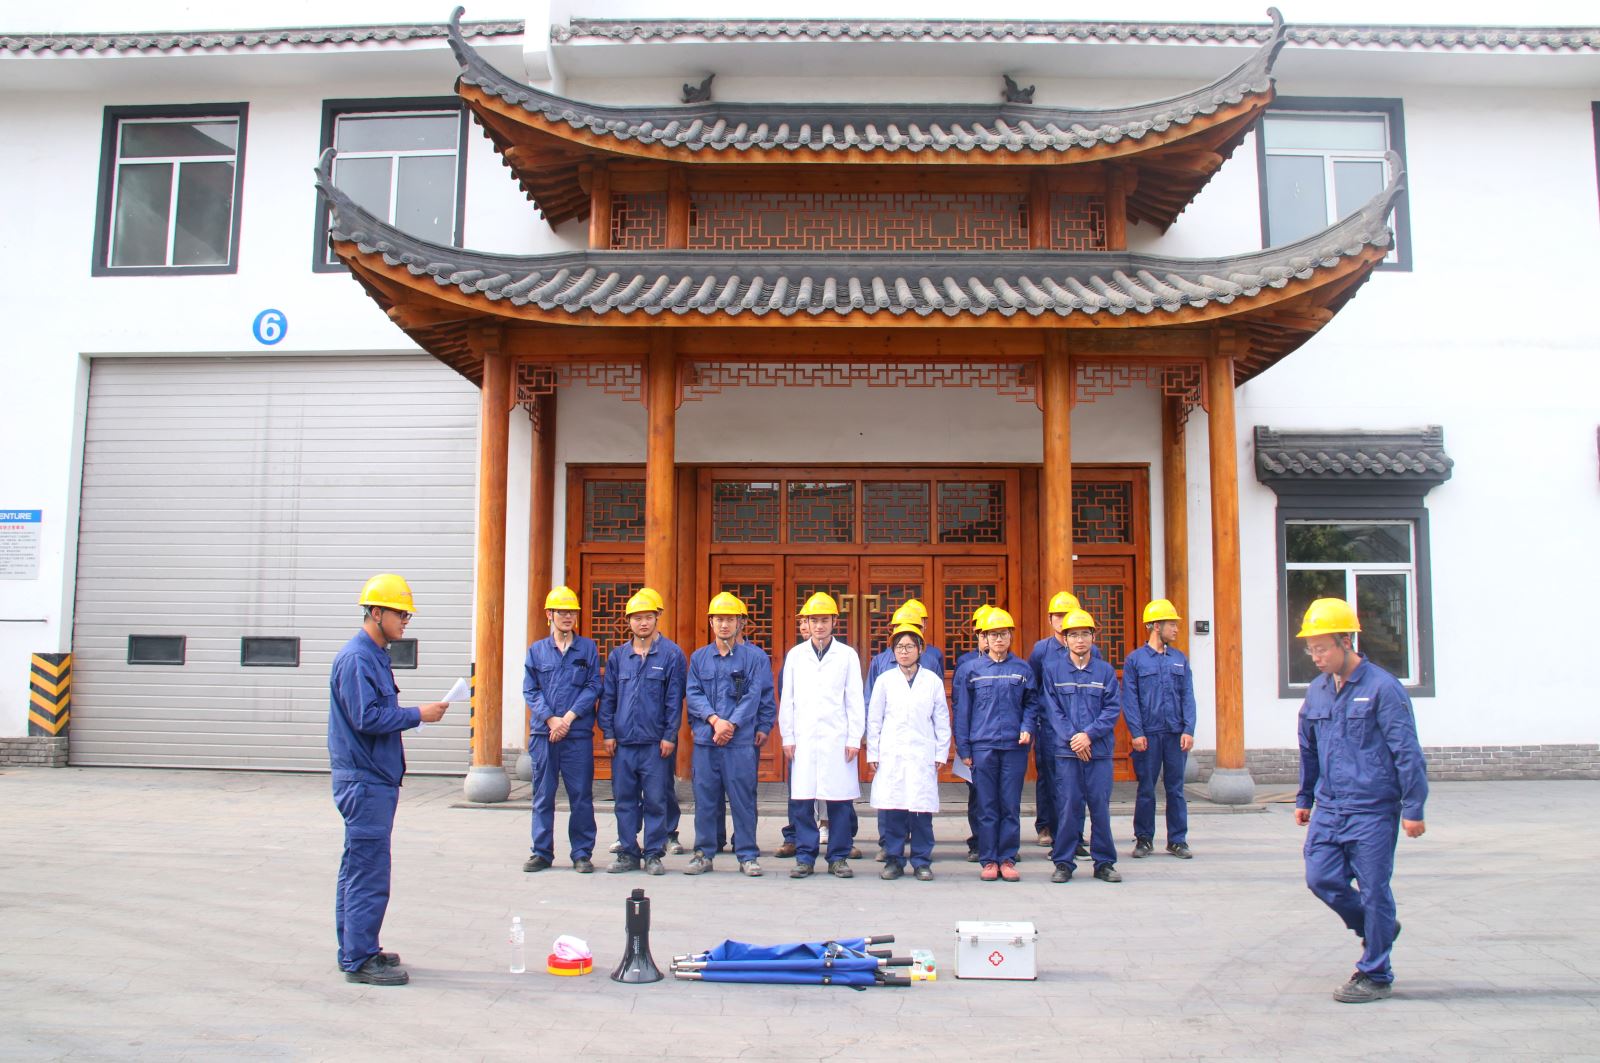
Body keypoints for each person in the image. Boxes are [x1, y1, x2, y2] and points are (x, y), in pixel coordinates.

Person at [1295, 597, 1428, 1004]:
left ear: (1346, 641)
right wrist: (1304, 796)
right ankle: (1378, 928)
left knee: (1374, 890)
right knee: (1321, 878)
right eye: (1311, 649)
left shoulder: (1382, 689)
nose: (1316, 657)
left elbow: (1407, 751)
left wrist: (1414, 808)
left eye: (1322, 648)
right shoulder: (1317, 691)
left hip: (1372, 808)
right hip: (1330, 807)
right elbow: (1308, 748)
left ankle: (1376, 973)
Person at [329, 573, 448, 986]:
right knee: (368, 871)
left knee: (358, 866)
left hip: (372, 778)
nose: (405, 622)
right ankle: (360, 959)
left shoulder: (375, 655)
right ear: (376, 612)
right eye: (401, 614)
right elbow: (366, 718)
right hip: (364, 782)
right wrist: (418, 715)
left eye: (407, 616)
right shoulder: (357, 658)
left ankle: (355, 948)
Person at [684, 592, 775, 877]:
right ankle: (703, 853)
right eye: (719, 619)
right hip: (707, 740)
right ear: (711, 622)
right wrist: (714, 721)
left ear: (741, 623)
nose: (724, 625)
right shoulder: (699, 658)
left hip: (740, 742)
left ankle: (747, 855)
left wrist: (732, 725)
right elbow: (693, 694)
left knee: (743, 799)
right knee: (705, 799)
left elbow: (754, 695)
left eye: (730, 619)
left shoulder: (754, 658)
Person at [599, 590, 686, 876]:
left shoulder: (671, 654)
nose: (643, 623)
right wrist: (608, 732)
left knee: (656, 800)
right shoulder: (618, 657)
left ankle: (653, 854)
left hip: (655, 744)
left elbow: (674, 700)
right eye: (637, 618)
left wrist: (670, 735)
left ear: (656, 618)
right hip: (623, 743)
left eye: (648, 617)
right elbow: (608, 697)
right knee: (624, 799)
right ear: (628, 621)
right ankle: (627, 852)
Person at [780, 592, 865, 879]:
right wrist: (788, 736)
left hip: (837, 738)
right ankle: (805, 856)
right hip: (804, 738)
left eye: (824, 620)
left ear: (834, 622)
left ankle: (838, 857)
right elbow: (787, 699)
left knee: (839, 801)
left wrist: (854, 738)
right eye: (814, 620)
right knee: (803, 801)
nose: (819, 626)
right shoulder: (795, 655)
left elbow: (855, 699)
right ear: (806, 622)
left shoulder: (847, 655)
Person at [1039, 609, 1123, 884]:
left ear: (1093, 637)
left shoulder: (1105, 671)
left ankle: (1104, 862)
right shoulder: (1053, 670)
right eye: (1073, 635)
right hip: (1066, 752)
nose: (1079, 640)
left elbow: (1111, 709)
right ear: (1064, 639)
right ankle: (1064, 862)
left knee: (1100, 808)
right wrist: (1074, 738)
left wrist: (1088, 735)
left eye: (1084, 634)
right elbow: (1052, 709)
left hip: (1098, 751)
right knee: (1068, 807)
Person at [953, 608, 1037, 882]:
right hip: (983, 746)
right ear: (984, 638)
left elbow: (1032, 703)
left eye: (1003, 634)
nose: (998, 639)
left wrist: (1027, 727)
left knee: (1010, 805)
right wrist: (964, 749)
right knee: (986, 805)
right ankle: (989, 859)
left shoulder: (1022, 669)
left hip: (1013, 747)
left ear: (1011, 636)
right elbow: (962, 712)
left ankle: (1008, 858)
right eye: (993, 634)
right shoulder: (971, 670)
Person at [522, 585, 600, 874]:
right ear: (549, 614)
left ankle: (581, 853)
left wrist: (567, 719)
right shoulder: (537, 651)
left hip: (576, 735)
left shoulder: (587, 648)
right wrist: (550, 719)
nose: (568, 617)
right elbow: (530, 690)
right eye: (562, 612)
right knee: (543, 795)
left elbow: (593, 686)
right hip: (544, 735)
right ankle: (541, 852)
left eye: (572, 612)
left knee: (581, 796)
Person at [867, 625, 951, 881]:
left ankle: (921, 861)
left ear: (920, 649)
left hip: (922, 753)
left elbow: (941, 719)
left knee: (921, 812)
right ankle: (894, 860)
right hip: (891, 752)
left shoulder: (932, 681)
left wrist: (941, 752)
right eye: (899, 647)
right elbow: (875, 719)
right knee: (894, 809)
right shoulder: (885, 680)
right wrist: (873, 752)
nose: (904, 652)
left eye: (909, 646)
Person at [1028, 590, 1100, 855]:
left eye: (1067, 615)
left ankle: (1073, 835)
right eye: (1058, 616)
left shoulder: (1092, 650)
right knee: (1049, 779)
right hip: (1049, 727)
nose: (1062, 620)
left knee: (1076, 784)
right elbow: (1035, 687)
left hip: (1081, 729)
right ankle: (1046, 826)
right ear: (1050, 619)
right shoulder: (1042, 650)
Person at [1124, 599, 1197, 859]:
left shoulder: (1179, 659)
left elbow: (1188, 695)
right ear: (1156, 626)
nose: (1176, 629)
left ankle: (1177, 840)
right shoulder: (1135, 660)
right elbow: (1130, 700)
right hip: (1149, 735)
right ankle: (1144, 839)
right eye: (1171, 624)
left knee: (1176, 789)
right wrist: (1136, 732)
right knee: (1146, 788)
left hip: (1175, 733)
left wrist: (1189, 729)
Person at [951, 604, 995, 863]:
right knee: (977, 795)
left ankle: (1003, 843)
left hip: (1002, 741)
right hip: (976, 740)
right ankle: (978, 841)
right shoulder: (966, 663)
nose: (988, 639)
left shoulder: (1014, 663)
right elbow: (960, 704)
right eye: (983, 633)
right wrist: (963, 743)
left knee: (1003, 796)